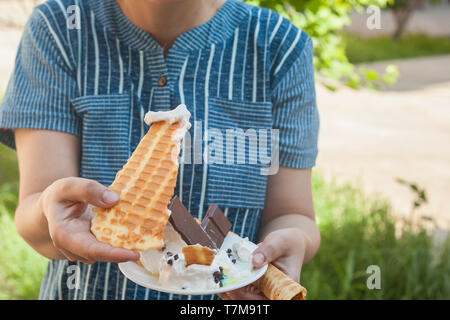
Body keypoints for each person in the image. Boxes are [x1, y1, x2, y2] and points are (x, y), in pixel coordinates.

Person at [0, 0, 320, 300]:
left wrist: (295, 241)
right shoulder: (59, 29)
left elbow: (292, 215)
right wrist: (48, 212)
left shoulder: (280, 47)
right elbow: (35, 208)